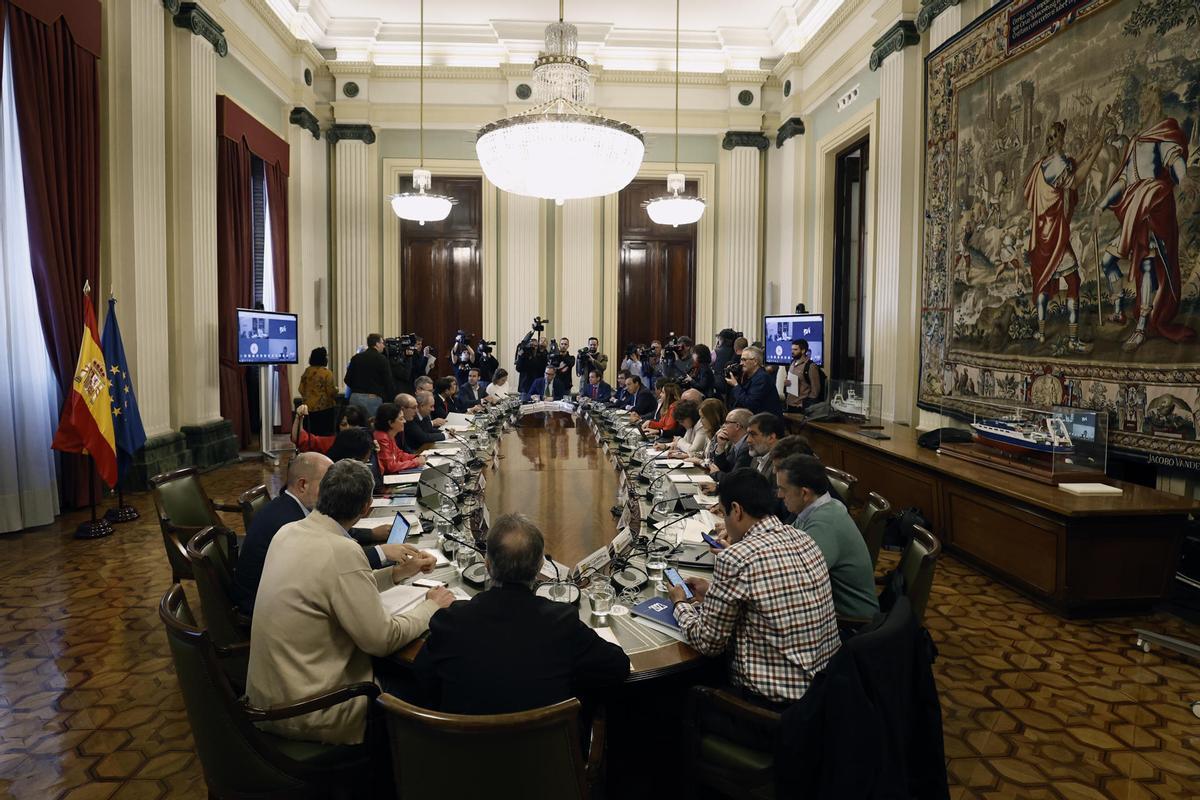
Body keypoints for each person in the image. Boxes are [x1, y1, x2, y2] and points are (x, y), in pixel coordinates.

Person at [247, 460, 455, 745]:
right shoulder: (342, 551)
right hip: (310, 710)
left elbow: (337, 584)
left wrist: (396, 574)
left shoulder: (288, 531)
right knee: (431, 684)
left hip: (271, 697)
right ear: (365, 508)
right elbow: (382, 640)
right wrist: (432, 606)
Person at [414, 513, 630, 714]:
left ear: (487, 565)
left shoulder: (450, 621)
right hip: (548, 754)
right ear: (539, 567)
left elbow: (423, 679)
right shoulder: (562, 622)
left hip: (460, 752)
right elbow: (618, 666)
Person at [668, 469, 840, 708]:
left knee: (680, 696)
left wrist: (680, 604)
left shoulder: (736, 558)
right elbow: (770, 599)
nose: (725, 522)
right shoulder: (803, 538)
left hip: (773, 710)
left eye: (725, 513)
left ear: (736, 510)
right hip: (824, 692)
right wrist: (712, 592)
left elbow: (707, 642)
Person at [233, 453, 420, 614]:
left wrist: (371, 534)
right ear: (303, 485)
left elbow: (331, 529)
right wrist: (382, 553)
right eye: (328, 483)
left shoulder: (292, 507)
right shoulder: (289, 522)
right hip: (266, 611)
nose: (334, 489)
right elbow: (332, 563)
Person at [1097, 87, 1194, 351]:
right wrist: (1103, 204)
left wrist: (1183, 177)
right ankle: (1119, 309)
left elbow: (1174, 159)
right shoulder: (1136, 142)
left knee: (1148, 264)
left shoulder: (1162, 136)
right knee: (1108, 260)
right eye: (1141, 104)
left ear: (1155, 105)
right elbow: (1124, 180)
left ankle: (1141, 327)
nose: (1142, 108)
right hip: (1134, 211)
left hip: (1154, 206)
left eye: (1146, 103)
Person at [1023, 120, 1104, 350]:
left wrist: (1091, 146)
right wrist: (1096, 151)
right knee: (1073, 281)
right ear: (1058, 139)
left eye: (1056, 136)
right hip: (1055, 235)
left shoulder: (1042, 164)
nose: (1058, 139)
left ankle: (1040, 333)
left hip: (1042, 234)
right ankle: (1072, 340)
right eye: (1057, 136)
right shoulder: (1059, 163)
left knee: (1045, 280)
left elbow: (1073, 161)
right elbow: (1075, 180)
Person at [776, 455, 879, 620]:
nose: (779, 495)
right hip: (829, 609)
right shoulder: (816, 508)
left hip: (851, 622)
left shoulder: (825, 521)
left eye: (783, 489)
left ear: (804, 493)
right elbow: (783, 539)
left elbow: (797, 580)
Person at [343, 334, 395, 421]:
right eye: (382, 343)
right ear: (377, 344)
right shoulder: (381, 359)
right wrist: (390, 399)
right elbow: (388, 382)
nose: (383, 346)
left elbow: (347, 379)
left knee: (355, 425)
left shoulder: (356, 358)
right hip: (372, 399)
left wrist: (357, 389)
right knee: (371, 426)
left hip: (355, 398)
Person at [727, 346, 782, 416]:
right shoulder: (748, 376)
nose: (741, 363)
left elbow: (750, 404)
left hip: (765, 423)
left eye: (744, 360)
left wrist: (736, 385)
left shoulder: (762, 378)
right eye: (741, 360)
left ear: (755, 361)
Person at [291, 404, 367, 454]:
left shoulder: (369, 445)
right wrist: (298, 417)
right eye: (343, 425)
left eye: (352, 424)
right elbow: (300, 439)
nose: (347, 428)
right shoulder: (331, 442)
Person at [372, 403, 426, 474]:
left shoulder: (390, 434)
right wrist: (415, 462)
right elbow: (390, 466)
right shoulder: (382, 438)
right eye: (401, 419)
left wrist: (416, 456)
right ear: (390, 423)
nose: (404, 421)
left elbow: (399, 454)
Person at [299, 347, 339, 435]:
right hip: (324, 409)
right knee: (324, 434)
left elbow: (301, 389)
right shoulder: (327, 373)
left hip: (308, 408)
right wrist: (336, 390)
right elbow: (330, 391)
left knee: (310, 434)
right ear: (323, 358)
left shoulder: (307, 371)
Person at [709, 408, 753, 479]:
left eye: (726, 422)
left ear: (737, 426)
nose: (723, 426)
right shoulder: (734, 443)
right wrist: (721, 446)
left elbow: (734, 479)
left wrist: (716, 474)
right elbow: (725, 468)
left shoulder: (747, 447)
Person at [784, 339, 822, 413]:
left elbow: (815, 391)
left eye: (795, 349)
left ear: (803, 350)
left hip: (801, 407)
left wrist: (805, 404)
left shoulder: (811, 366)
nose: (792, 352)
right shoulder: (792, 363)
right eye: (792, 349)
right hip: (789, 404)